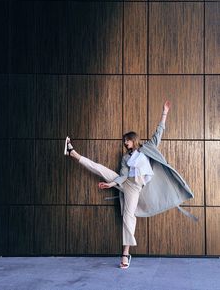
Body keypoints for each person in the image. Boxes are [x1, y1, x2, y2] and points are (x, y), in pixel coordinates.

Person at [64, 101, 194, 269]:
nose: (125, 143)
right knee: (99, 168)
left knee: (128, 217)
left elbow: (159, 132)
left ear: (134, 140)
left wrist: (164, 113)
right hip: (124, 182)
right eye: (124, 141)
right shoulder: (126, 158)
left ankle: (125, 254)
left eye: (127, 140)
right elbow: (124, 175)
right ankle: (73, 153)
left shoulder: (147, 148)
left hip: (134, 188)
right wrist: (111, 183)